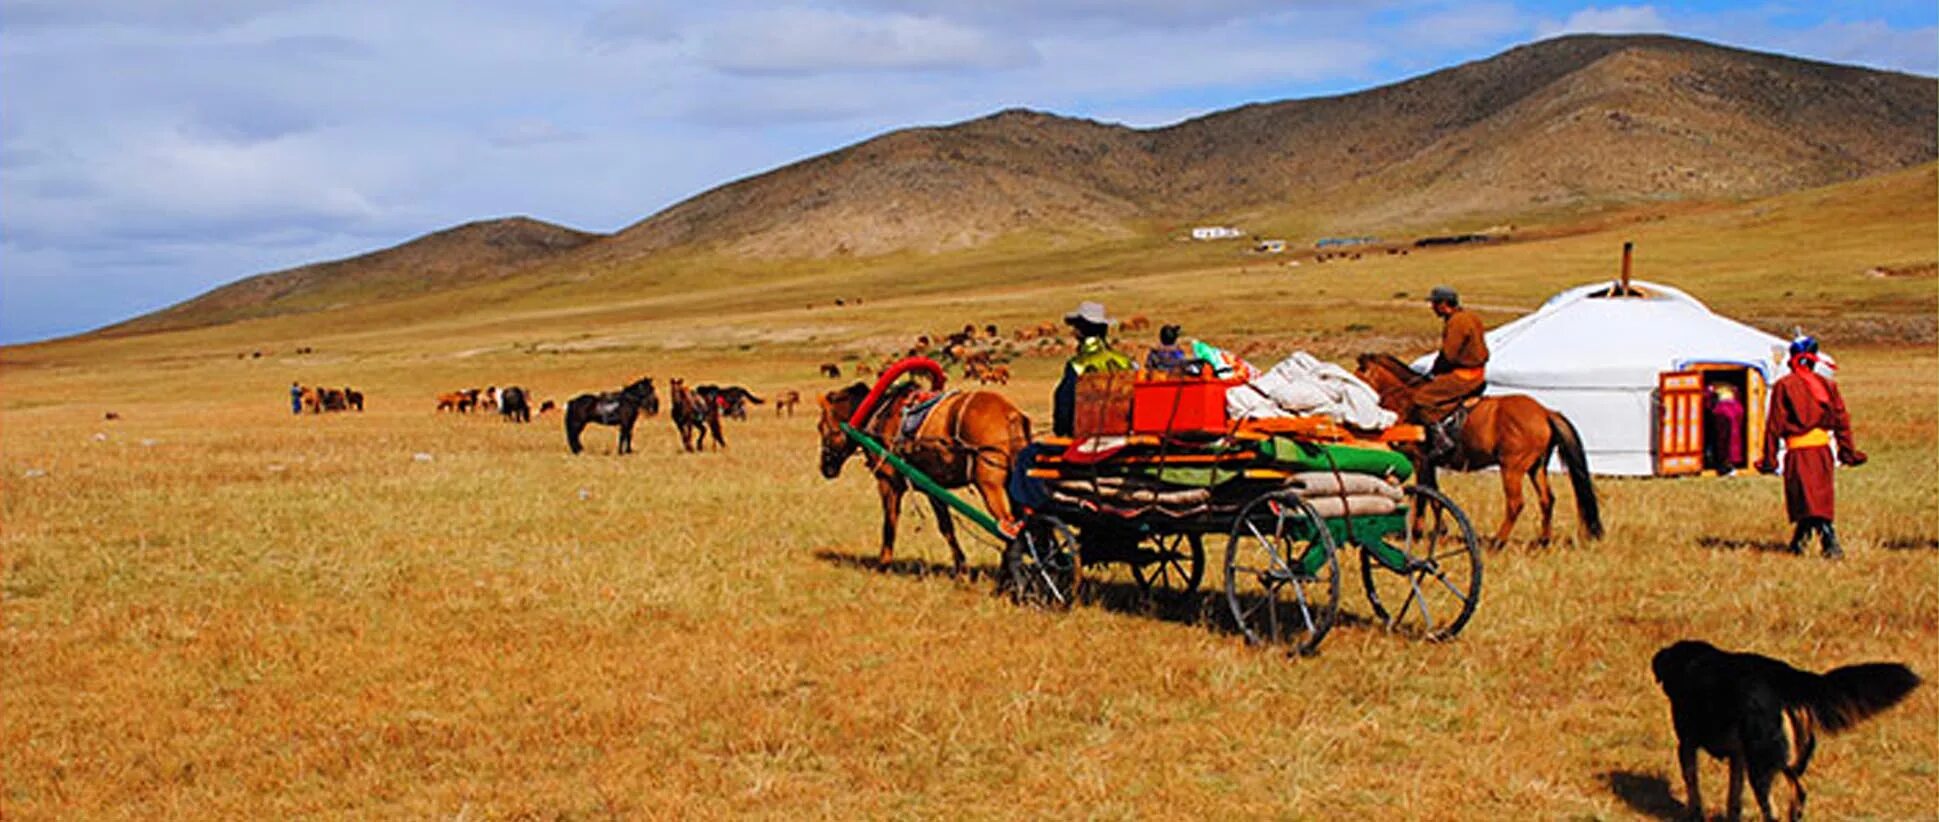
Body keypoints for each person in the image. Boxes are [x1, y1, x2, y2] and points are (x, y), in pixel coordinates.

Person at [1758, 339, 1865, 558]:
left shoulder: (1784, 386)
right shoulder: (1828, 386)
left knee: (1809, 499)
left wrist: (1769, 459)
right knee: (1815, 497)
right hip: (1823, 451)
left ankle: (1829, 540)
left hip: (1799, 452)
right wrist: (1847, 452)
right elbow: (1841, 421)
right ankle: (1799, 544)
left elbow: (1774, 425)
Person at [1405, 285, 1490, 456]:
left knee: (1421, 398)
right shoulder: (1470, 317)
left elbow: (1449, 355)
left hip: (1463, 376)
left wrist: (1436, 370)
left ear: (1444, 304)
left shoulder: (1456, 322)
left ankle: (1441, 439)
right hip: (1478, 372)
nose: (1432, 308)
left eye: (1435, 304)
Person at [1051, 301, 1135, 437]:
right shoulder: (1125, 362)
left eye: (1076, 326)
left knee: (1028, 454)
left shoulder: (1078, 365)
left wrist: (1061, 431)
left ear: (1080, 331)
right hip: (1123, 435)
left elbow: (1064, 405)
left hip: (1085, 437)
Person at [1704, 384, 1745, 475]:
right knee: (1731, 440)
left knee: (1724, 440)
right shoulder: (1734, 392)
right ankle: (1728, 464)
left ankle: (1725, 465)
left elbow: (1708, 403)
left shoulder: (1713, 389)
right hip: (1732, 413)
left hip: (1724, 413)